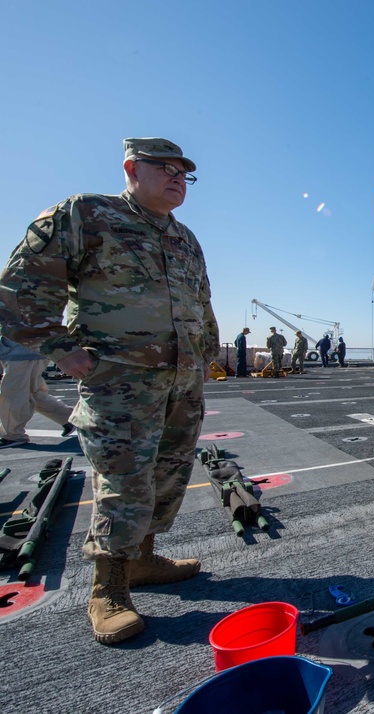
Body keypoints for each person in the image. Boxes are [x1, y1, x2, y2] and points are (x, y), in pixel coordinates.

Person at [0, 137, 219, 645]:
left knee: (168, 474)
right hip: (119, 381)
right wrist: (60, 348)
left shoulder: (185, 238)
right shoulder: (85, 215)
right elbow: (19, 287)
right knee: (123, 480)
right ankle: (109, 587)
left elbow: (202, 302)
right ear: (130, 168)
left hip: (181, 383)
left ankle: (141, 559)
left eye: (183, 172)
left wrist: (204, 354)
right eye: (163, 168)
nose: (176, 178)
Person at [0, 336, 75, 448]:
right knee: (33, 393)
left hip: (21, 351)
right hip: (27, 348)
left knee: (13, 395)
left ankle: (13, 435)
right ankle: (69, 418)